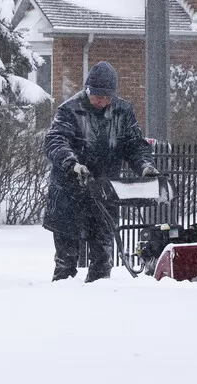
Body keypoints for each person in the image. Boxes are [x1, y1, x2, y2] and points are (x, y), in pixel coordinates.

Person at [42, 61, 160, 283]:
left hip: (104, 192)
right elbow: (55, 141)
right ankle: (62, 294)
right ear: (88, 90)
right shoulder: (69, 110)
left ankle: (101, 293)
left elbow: (134, 144)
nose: (103, 101)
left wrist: (144, 165)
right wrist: (72, 164)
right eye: (98, 95)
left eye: (107, 96)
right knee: (66, 257)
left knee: (103, 254)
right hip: (70, 193)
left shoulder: (123, 112)